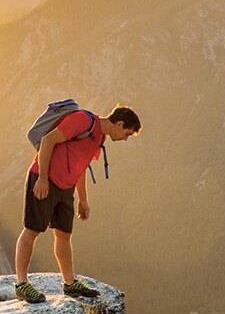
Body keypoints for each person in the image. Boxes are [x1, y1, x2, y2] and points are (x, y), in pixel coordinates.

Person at [13, 104, 141, 303]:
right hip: (44, 178)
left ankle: (70, 283)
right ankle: (21, 284)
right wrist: (43, 178)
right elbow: (47, 141)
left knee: (64, 234)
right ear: (119, 124)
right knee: (32, 230)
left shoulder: (99, 136)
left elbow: (81, 165)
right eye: (126, 134)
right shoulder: (82, 121)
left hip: (66, 188)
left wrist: (83, 199)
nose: (125, 139)